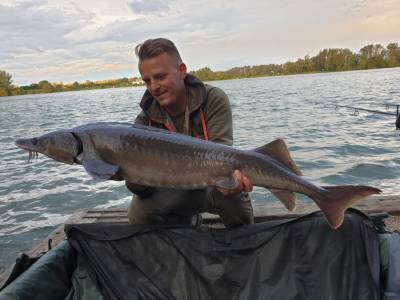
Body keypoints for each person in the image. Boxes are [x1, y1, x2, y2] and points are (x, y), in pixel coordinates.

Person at [126, 38, 254, 227]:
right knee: (138, 214)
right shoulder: (144, 121)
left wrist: (232, 182)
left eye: (160, 77)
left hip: (213, 186)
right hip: (172, 189)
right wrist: (129, 174)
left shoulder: (214, 99)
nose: (153, 87)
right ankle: (186, 229)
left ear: (182, 71)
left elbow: (223, 160)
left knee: (233, 199)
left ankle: (244, 242)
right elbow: (143, 191)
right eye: (147, 81)